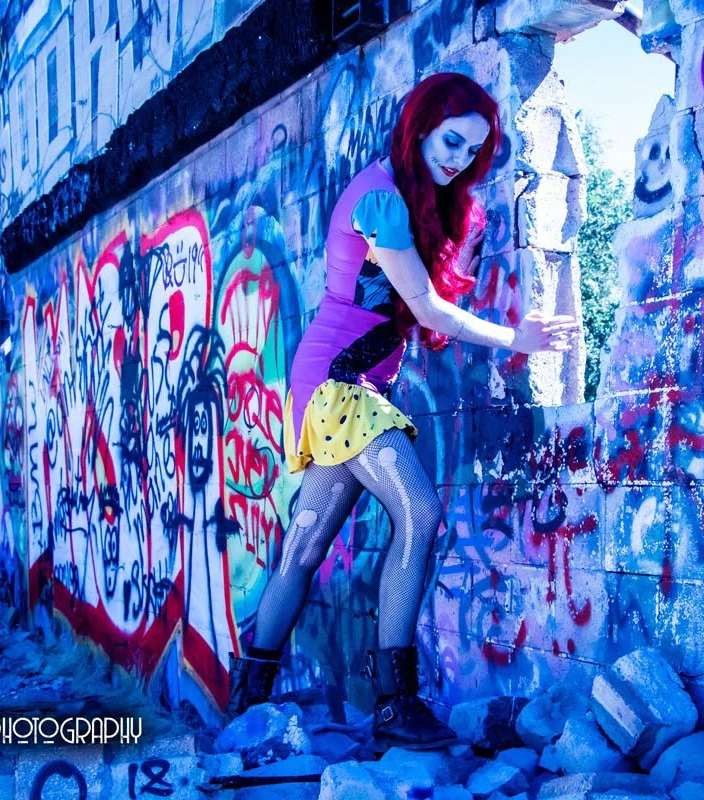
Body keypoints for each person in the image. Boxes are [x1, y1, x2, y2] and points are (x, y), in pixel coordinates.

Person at [227, 72, 578, 752]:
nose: (458, 159)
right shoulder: (380, 200)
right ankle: (395, 704)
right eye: (451, 141)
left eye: (472, 152)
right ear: (419, 126)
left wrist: (460, 251)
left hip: (348, 383)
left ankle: (249, 699)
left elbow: (421, 299)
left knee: (303, 543)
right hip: (340, 381)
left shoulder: (411, 201)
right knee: (418, 511)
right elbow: (422, 309)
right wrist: (515, 338)